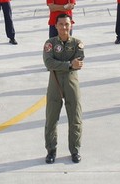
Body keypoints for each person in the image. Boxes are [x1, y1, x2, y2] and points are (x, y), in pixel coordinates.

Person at [43, 13, 84, 164]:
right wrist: (68, 65)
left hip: (72, 84)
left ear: (71, 25)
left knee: (75, 118)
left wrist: (60, 64)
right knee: (51, 118)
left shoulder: (77, 43)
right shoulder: (50, 43)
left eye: (67, 24)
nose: (64, 27)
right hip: (55, 84)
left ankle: (75, 150)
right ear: (56, 26)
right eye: (61, 24)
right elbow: (48, 63)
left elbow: (78, 63)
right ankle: (51, 150)